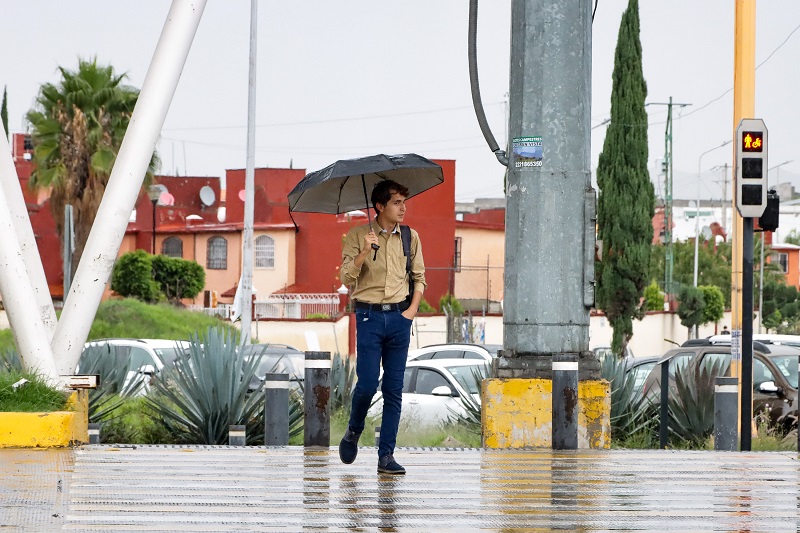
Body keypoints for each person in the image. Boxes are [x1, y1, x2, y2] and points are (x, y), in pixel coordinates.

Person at [338, 179, 426, 475]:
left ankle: (386, 457)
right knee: (366, 384)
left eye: (404, 201)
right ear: (380, 206)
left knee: (393, 389)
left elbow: (420, 277)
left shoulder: (410, 237)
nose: (403, 208)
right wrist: (364, 252)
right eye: (396, 202)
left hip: (400, 318)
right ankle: (353, 430)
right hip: (368, 317)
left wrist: (411, 312)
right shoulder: (356, 235)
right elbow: (346, 279)